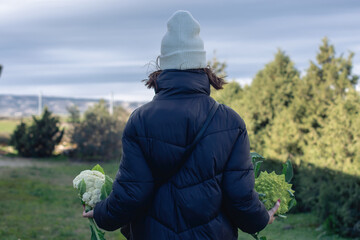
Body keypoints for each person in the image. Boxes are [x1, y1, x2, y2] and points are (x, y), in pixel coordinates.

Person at [82, 10, 280, 240]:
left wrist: (102, 214)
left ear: (162, 68)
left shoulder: (140, 120)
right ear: (203, 68)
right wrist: (263, 218)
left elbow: (131, 193)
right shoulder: (230, 122)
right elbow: (240, 197)